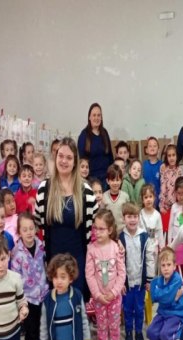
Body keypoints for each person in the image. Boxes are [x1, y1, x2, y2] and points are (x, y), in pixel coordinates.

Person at [35, 137, 97, 294]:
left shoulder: (86, 192)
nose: (64, 161)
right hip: (53, 260)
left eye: (69, 157)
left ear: (75, 162)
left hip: (79, 260)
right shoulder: (44, 189)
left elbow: (96, 228)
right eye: (61, 156)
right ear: (55, 157)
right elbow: (38, 223)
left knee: (77, 303)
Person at [85, 209, 126, 340]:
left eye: (101, 229)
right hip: (99, 299)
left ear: (110, 230)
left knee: (114, 328)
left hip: (114, 298)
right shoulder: (91, 249)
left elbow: (122, 273)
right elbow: (89, 274)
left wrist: (114, 292)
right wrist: (97, 295)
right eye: (95, 228)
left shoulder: (116, 248)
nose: (97, 232)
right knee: (101, 328)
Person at [11, 212, 49, 340]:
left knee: (42, 329)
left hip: (43, 296)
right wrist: (19, 301)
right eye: (24, 229)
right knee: (30, 331)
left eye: (31, 228)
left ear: (36, 229)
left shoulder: (42, 247)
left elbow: (47, 268)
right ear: (19, 232)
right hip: (27, 300)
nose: (29, 232)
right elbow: (14, 278)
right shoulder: (16, 253)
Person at [148, 247, 183, 340]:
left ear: (174, 266)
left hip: (177, 315)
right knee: (151, 332)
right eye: (163, 265)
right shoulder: (159, 280)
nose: (166, 268)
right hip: (163, 313)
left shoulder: (177, 279)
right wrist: (171, 297)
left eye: (169, 265)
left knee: (165, 334)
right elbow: (154, 297)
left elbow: (163, 297)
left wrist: (166, 296)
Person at [120, 202, 154, 340]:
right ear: (124, 218)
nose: (132, 220)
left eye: (135, 216)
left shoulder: (144, 237)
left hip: (140, 282)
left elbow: (150, 258)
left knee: (139, 308)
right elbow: (118, 261)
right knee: (127, 309)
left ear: (138, 218)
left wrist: (149, 279)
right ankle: (129, 332)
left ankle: (138, 331)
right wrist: (120, 282)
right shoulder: (120, 237)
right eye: (129, 216)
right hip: (127, 283)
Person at [78, 103, 114, 187]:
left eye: (99, 115)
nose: (96, 118)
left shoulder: (104, 133)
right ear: (89, 117)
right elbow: (81, 160)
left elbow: (110, 157)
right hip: (91, 179)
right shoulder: (84, 135)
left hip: (106, 179)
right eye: (94, 115)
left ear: (101, 117)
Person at [159, 144, 183, 232]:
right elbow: (162, 189)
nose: (171, 158)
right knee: (166, 231)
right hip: (166, 208)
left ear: (177, 156)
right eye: (169, 156)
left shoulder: (180, 171)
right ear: (166, 157)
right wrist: (161, 206)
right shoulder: (164, 171)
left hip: (179, 207)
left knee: (179, 229)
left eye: (173, 155)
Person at [103, 164, 130, 233]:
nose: (115, 183)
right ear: (107, 181)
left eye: (117, 180)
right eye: (112, 180)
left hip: (123, 232)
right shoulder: (104, 197)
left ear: (121, 180)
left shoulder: (125, 196)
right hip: (109, 233)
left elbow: (128, 215)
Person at [142, 136, 162, 203]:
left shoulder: (162, 166)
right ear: (146, 150)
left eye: (154, 146)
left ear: (158, 150)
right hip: (146, 201)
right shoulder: (143, 165)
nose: (152, 148)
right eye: (150, 146)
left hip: (159, 201)